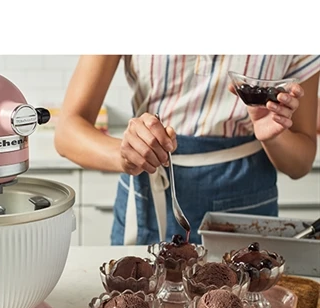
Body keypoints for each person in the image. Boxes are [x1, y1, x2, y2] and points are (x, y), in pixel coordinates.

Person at [55, 55, 320, 245]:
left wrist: (273, 135)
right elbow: (67, 132)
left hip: (247, 204)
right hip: (150, 194)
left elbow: (300, 164)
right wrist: (126, 155)